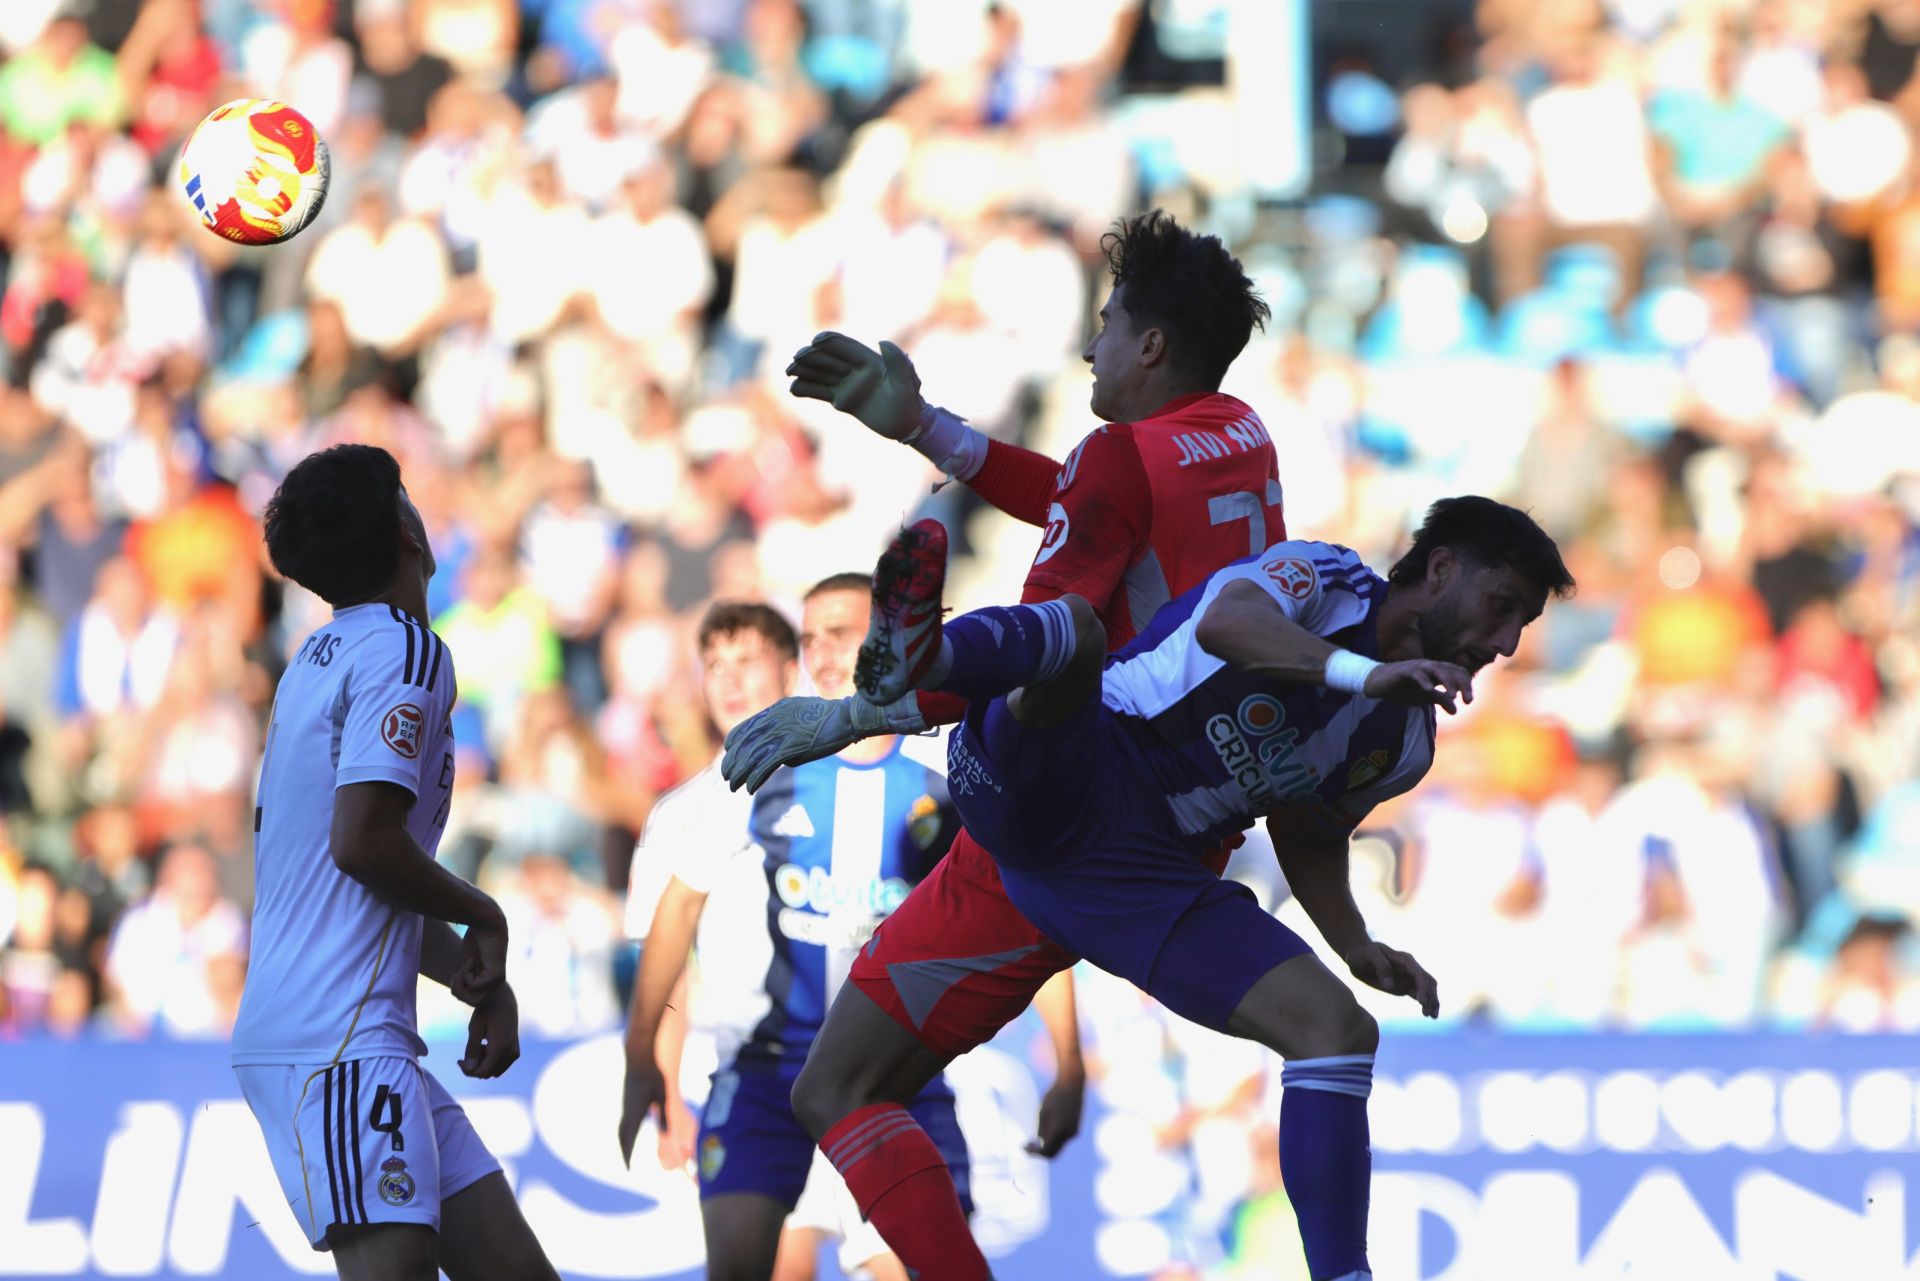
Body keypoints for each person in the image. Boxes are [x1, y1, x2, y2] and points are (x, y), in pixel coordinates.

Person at [730, 497, 1574, 1281]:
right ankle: (922, 665)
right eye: (1502, 605)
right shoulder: (1324, 577)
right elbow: (1230, 622)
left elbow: (1310, 827)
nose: (1505, 642)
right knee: (1075, 634)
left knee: (1336, 1030)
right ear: (1440, 569)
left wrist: (1356, 944)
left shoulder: (1404, 741)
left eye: (1522, 624)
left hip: (1131, 877)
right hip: (1075, 769)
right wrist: (1358, 672)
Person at [724, 210, 1280, 1272]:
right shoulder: (1239, 437)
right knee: (1328, 1037)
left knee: (834, 1088)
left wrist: (866, 711)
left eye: (1107, 323)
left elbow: (1057, 604)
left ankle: (912, 661)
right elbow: (1089, 500)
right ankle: (914, 663)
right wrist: (928, 428)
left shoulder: (1118, 456)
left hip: (1076, 814)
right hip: (1192, 817)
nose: (1091, 343)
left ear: (1150, 345)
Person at [231, 444, 559, 1281]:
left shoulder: (317, 656)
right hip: (338, 1038)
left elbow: (362, 884)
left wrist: (474, 978)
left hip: (347, 1030)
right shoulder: (406, 650)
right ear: (407, 528)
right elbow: (364, 843)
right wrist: (486, 914)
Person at [618, 579, 967, 1281]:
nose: (728, 681)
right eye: (713, 665)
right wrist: (659, 1077)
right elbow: (670, 948)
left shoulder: (924, 775)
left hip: (885, 1067)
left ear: (787, 672)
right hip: (765, 1070)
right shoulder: (687, 810)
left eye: (746, 661)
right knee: (781, 1262)